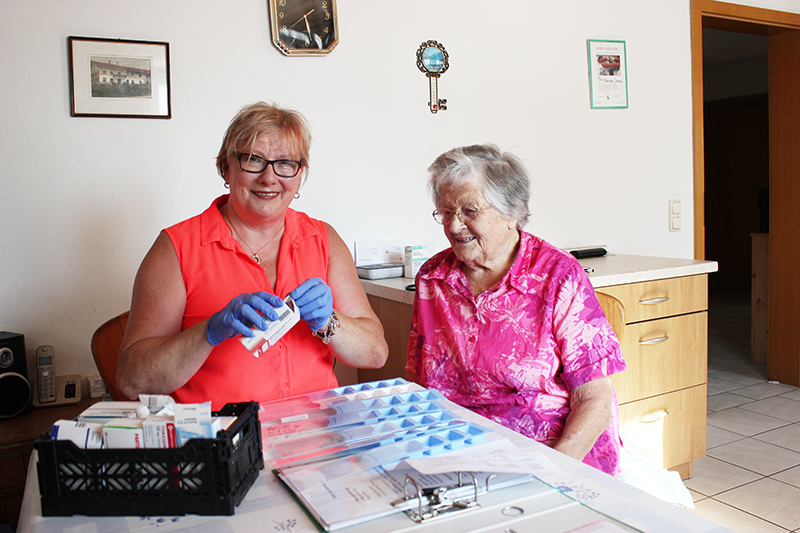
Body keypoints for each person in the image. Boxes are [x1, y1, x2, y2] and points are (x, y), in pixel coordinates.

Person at [117, 102, 388, 409]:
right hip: (221, 443)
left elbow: (375, 353)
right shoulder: (177, 248)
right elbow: (131, 380)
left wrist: (330, 321)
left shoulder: (323, 240)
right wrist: (209, 331)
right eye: (253, 160)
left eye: (285, 163)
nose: (269, 178)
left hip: (316, 437)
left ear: (300, 176)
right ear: (225, 168)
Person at [406, 144, 627, 475]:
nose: (454, 226)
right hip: (459, 451)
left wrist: (553, 469)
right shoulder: (432, 278)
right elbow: (419, 381)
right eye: (446, 212)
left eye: (469, 211)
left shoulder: (557, 276)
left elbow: (594, 399)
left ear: (511, 212)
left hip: (550, 450)